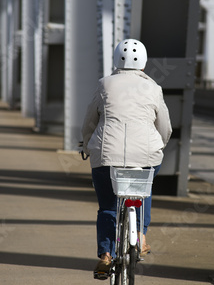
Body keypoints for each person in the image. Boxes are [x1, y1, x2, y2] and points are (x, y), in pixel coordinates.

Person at [81, 39, 172, 280]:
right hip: (145, 155)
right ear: (143, 62)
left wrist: (86, 143)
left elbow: (90, 120)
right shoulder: (154, 88)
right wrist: (157, 146)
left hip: (106, 155)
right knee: (144, 185)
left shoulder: (105, 84)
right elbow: (164, 128)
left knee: (108, 207)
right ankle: (140, 237)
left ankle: (105, 257)